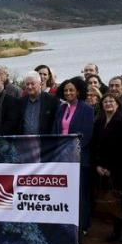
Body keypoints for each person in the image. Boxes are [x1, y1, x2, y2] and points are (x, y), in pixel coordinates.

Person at [92, 94, 122, 244]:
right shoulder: (99, 122)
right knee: (112, 201)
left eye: (111, 101)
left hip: (121, 169)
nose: (108, 103)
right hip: (102, 169)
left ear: (117, 104)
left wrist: (111, 168)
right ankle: (116, 231)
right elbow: (95, 146)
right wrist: (97, 165)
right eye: (105, 101)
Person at [54, 77, 95, 231]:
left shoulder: (87, 109)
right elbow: (56, 130)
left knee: (81, 193)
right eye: (65, 90)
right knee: (66, 192)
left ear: (78, 91)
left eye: (71, 90)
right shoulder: (61, 108)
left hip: (79, 158)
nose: (68, 92)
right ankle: (67, 222)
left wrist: (74, 151)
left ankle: (83, 225)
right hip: (62, 157)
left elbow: (87, 134)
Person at [19, 71, 60, 135]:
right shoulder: (21, 101)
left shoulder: (52, 100)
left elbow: (57, 122)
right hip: (25, 142)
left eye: (32, 84)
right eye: (27, 84)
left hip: (45, 142)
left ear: (40, 84)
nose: (29, 87)